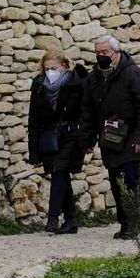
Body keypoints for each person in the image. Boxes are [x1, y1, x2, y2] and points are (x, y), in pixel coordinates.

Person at [78, 35, 140, 240]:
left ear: (116, 52)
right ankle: (125, 224)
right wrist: (86, 141)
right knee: (116, 181)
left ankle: (136, 223)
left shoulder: (132, 74)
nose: (101, 56)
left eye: (105, 52)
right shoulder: (93, 78)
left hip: (131, 136)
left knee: (131, 179)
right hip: (110, 138)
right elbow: (87, 111)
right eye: (98, 53)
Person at [26, 48, 89, 234]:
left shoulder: (77, 85)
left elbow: (87, 113)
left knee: (60, 170)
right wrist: (34, 152)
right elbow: (34, 120)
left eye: (53, 68)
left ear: (64, 66)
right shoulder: (39, 87)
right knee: (60, 175)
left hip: (71, 135)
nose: (49, 73)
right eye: (46, 69)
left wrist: (87, 140)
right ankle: (71, 219)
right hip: (50, 137)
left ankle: (52, 218)